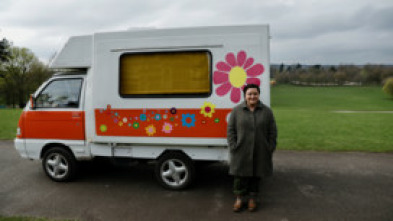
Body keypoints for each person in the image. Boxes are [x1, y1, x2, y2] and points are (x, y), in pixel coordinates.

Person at [227, 84, 277, 212]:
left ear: (258, 95)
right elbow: (231, 130)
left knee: (256, 175)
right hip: (241, 150)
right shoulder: (237, 111)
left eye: (255, 94)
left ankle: (252, 199)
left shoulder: (267, 111)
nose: (252, 96)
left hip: (260, 150)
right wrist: (233, 146)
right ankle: (239, 199)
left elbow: (272, 131)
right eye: (250, 94)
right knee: (240, 177)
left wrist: (269, 147)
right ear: (245, 96)